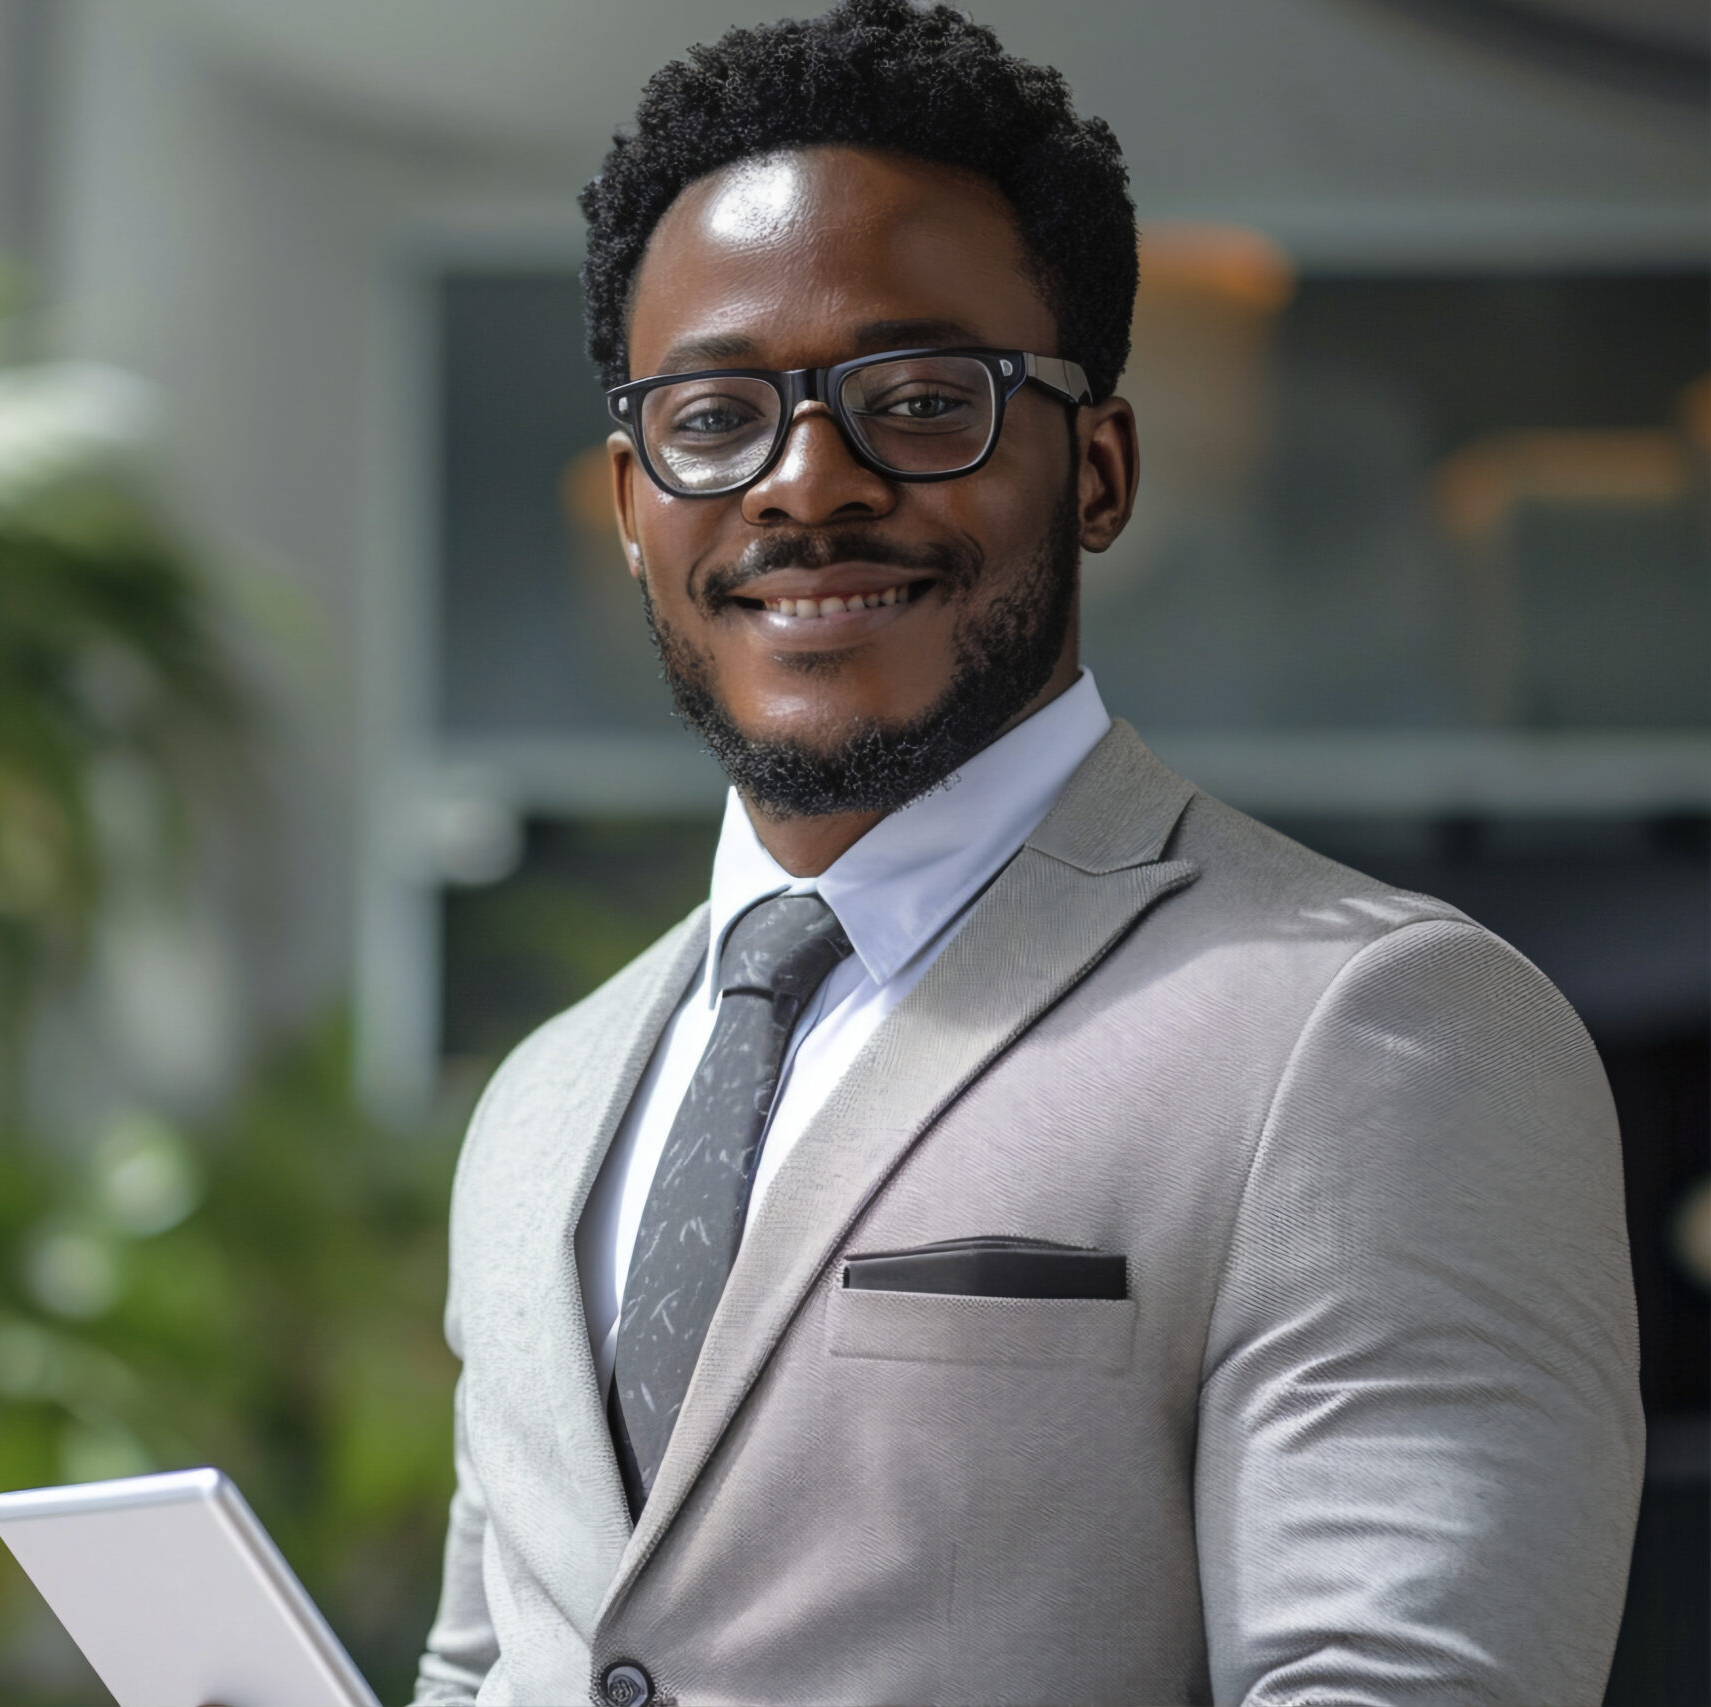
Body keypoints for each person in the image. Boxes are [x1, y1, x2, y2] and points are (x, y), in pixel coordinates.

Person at [410, 5, 1643, 1704]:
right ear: (634, 504)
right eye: (716, 418)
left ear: (1101, 471)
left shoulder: (1376, 1037)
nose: (804, 484)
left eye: (920, 400)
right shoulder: (546, 1104)